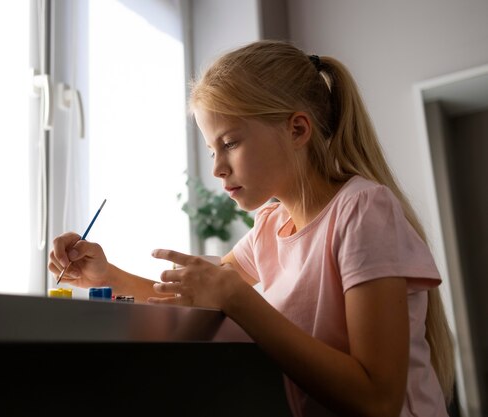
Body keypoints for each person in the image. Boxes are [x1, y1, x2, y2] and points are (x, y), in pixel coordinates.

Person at [49, 40, 455, 416]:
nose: (216, 168)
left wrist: (240, 300)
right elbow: (190, 298)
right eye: (212, 149)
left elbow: (377, 400)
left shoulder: (361, 210)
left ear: (297, 130)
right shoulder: (269, 228)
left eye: (230, 143)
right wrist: (107, 276)